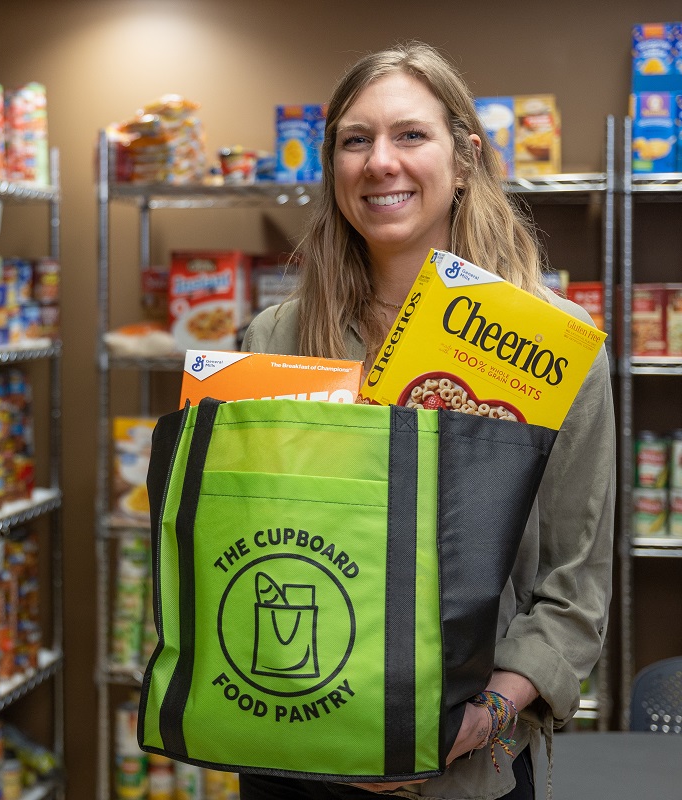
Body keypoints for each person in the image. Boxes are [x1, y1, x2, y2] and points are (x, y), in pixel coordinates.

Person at [239, 42, 615, 800]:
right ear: (333, 166)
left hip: (465, 770)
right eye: (356, 139)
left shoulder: (554, 345)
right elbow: (246, 546)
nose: (381, 162)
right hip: (294, 751)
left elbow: (575, 585)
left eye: (410, 135)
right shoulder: (273, 339)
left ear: (466, 157)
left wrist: (494, 712)